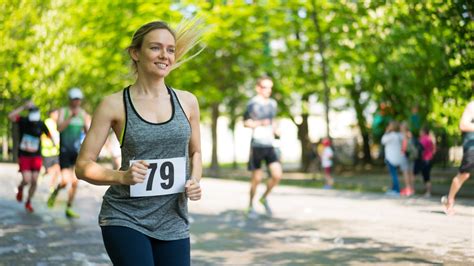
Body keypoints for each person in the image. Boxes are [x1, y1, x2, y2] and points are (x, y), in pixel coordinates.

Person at [75, 20, 204, 265]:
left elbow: (195, 152)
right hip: (125, 217)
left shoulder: (188, 102)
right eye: (155, 48)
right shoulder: (113, 104)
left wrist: (195, 179)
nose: (164, 55)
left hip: (173, 219)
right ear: (136, 53)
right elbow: (83, 166)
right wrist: (122, 177)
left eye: (170, 49)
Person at [47, 87, 91, 218]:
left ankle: (69, 207)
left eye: (79, 100)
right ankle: (55, 193)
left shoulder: (83, 114)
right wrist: (71, 117)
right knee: (65, 181)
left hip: (77, 152)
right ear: (70, 100)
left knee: (76, 181)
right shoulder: (63, 111)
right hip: (65, 151)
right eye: (74, 99)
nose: (77, 102)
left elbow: (88, 132)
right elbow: (59, 128)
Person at [243, 76, 283, 217]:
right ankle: (250, 206)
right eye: (265, 87)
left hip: (270, 144)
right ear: (258, 88)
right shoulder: (252, 103)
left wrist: (275, 128)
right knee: (257, 179)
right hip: (257, 144)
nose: (268, 90)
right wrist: (260, 123)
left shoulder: (273, 104)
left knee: (277, 175)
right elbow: (246, 122)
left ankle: (264, 197)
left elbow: (273, 121)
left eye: (270, 88)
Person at [8, 101, 53, 213]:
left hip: (36, 156)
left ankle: (28, 201)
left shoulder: (41, 124)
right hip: (24, 156)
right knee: (27, 180)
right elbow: (10, 116)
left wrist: (52, 143)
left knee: (34, 181)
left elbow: (49, 135)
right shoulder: (23, 121)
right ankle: (21, 187)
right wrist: (23, 106)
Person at [442, 101, 474, 215]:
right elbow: (463, 125)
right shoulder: (472, 106)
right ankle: (449, 200)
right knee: (464, 174)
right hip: (472, 146)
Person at [381, 121, 404, 196]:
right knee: (394, 174)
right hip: (398, 158)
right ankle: (394, 189)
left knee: (394, 175)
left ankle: (396, 190)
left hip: (390, 158)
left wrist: (387, 131)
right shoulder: (400, 135)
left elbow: (382, 141)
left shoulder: (390, 136)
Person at [41, 109, 61, 192]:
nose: (57, 115)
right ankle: (43, 172)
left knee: (57, 170)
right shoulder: (47, 122)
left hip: (56, 152)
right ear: (51, 114)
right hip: (47, 152)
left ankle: (52, 187)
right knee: (50, 171)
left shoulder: (58, 123)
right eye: (56, 113)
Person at [415, 126, 436, 197]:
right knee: (426, 176)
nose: (419, 133)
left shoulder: (423, 139)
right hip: (430, 159)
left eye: (420, 131)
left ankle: (428, 192)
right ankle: (427, 191)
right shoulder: (430, 138)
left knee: (426, 176)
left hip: (425, 159)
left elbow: (420, 149)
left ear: (423, 132)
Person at [400, 122, 416, 196]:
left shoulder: (402, 135)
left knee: (406, 172)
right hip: (411, 155)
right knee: (411, 172)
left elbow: (403, 146)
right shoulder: (409, 134)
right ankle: (412, 189)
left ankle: (408, 189)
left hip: (405, 155)